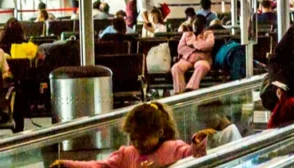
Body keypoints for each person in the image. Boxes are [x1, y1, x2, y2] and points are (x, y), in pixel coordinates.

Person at [51, 102, 215, 168]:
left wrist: (197, 144)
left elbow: (191, 155)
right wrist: (68, 165)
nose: (136, 143)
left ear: (160, 132)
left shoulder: (172, 148)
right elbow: (100, 166)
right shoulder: (126, 154)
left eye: (142, 138)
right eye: (133, 138)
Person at [172, 15, 215, 94]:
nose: (195, 26)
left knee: (202, 66)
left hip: (202, 59)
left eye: (198, 24)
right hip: (186, 59)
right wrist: (198, 48)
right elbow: (180, 49)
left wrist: (193, 45)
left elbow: (209, 45)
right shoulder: (186, 34)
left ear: (203, 26)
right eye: (194, 24)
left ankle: (191, 89)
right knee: (176, 67)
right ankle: (179, 93)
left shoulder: (208, 34)